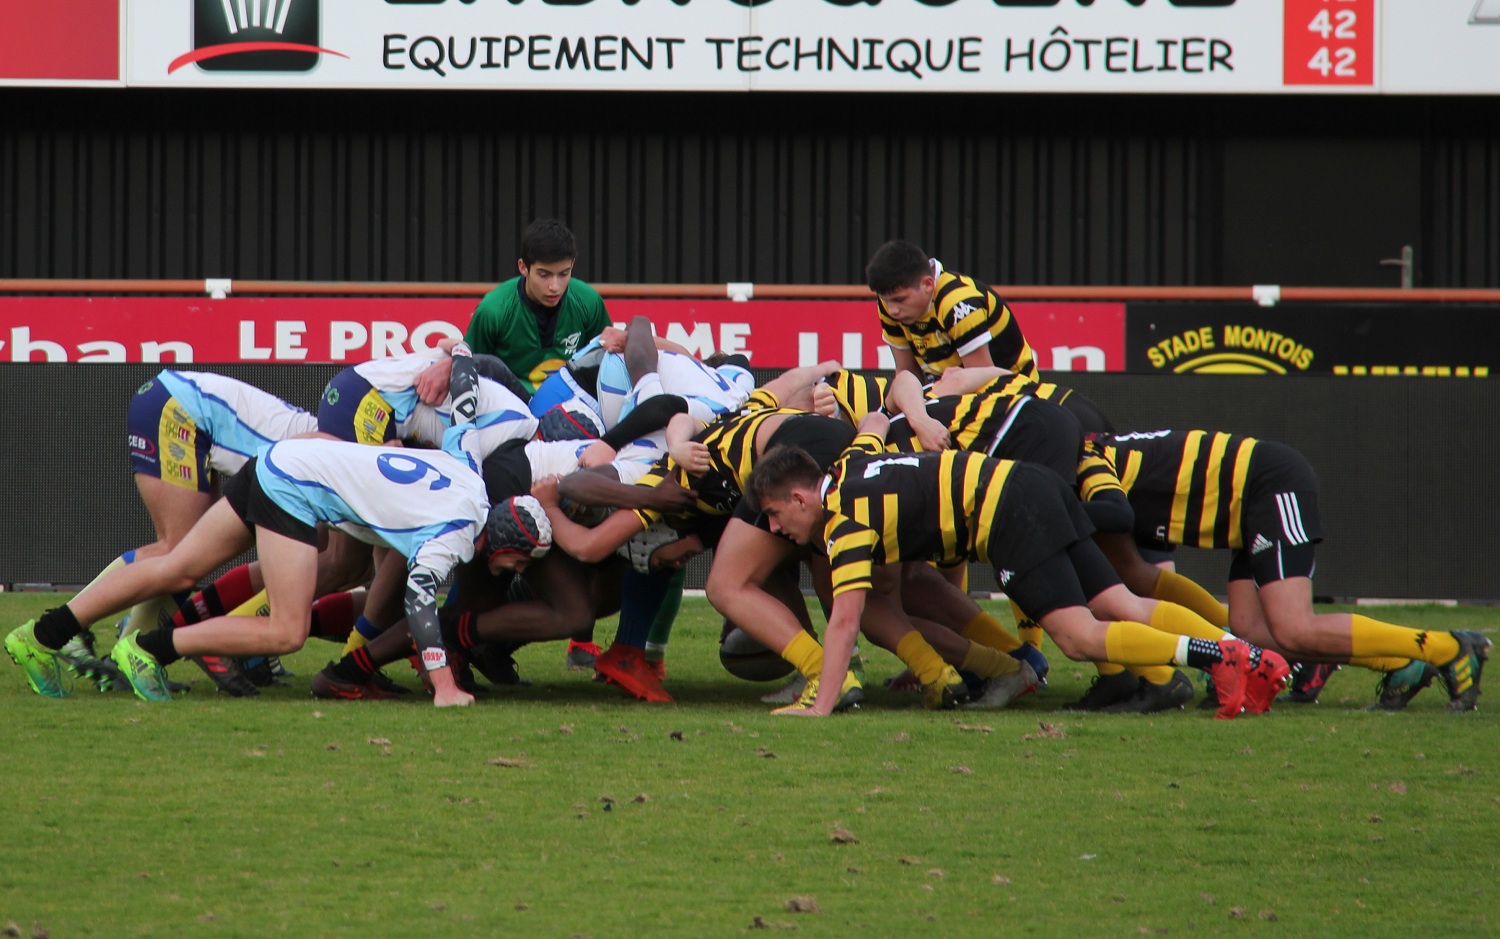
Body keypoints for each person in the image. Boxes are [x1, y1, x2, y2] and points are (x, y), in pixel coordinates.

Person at [744, 414, 1291, 719]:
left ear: (798, 496)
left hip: (1009, 514)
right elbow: (874, 421)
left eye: (772, 514)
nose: (772, 530)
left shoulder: (843, 522)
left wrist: (819, 707)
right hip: (1032, 481)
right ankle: (1255, 658)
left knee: (1078, 638)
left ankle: (1222, 655)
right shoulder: (850, 463)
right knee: (1120, 603)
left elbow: (844, 621)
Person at [5, 438, 551, 708]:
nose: (516, 570)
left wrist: (454, 357)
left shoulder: (470, 479)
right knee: (287, 631)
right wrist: (444, 686)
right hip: (293, 486)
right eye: (520, 560)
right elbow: (419, 602)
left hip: (284, 458)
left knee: (178, 568)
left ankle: (41, 635)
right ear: (500, 541)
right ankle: (150, 648)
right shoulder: (458, 533)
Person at [1082, 429, 1491, 712]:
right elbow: (1137, 578)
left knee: (1295, 628)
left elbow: (1138, 578)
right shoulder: (1088, 465)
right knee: (1254, 634)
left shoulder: (1088, 471)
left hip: (1267, 485)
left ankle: (1448, 648)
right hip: (1248, 504)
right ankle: (1399, 661)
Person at [464, 218, 611, 393]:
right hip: (511, 405)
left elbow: (607, 366)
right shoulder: (493, 310)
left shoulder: (589, 302)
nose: (554, 286)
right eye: (544, 275)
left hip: (573, 404)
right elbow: (469, 369)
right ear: (523, 267)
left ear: (572, 265)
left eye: (564, 274)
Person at [865, 239, 1037, 382]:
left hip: (1014, 396)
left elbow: (982, 382)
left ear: (927, 284)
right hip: (950, 394)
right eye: (886, 301)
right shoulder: (889, 304)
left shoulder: (959, 303)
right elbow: (907, 375)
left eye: (899, 300)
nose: (892, 310)